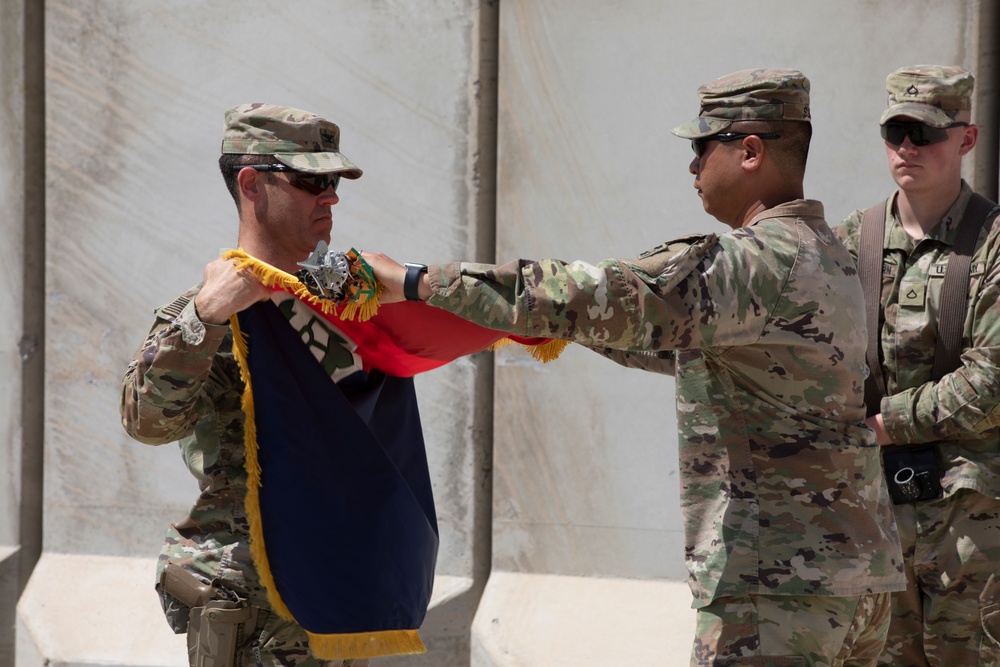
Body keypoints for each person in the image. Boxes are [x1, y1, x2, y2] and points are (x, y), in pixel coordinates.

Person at [364, 68, 906, 666]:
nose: (693, 166)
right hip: (850, 578)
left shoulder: (759, 261)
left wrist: (417, 283)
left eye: (702, 146)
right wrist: (532, 321)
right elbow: (666, 340)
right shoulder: (823, 251)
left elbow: (605, 295)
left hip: (776, 586)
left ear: (750, 150)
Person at [121, 103, 372, 667]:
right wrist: (205, 319)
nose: (329, 197)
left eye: (333, 182)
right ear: (251, 183)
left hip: (333, 599)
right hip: (254, 616)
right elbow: (146, 422)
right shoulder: (207, 316)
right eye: (311, 180)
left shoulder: (341, 305)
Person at [837, 66, 1000, 666]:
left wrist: (881, 425)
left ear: (967, 139)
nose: (907, 147)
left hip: (971, 530)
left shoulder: (993, 244)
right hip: (873, 518)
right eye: (895, 130)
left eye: (926, 132)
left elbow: (992, 382)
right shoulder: (850, 240)